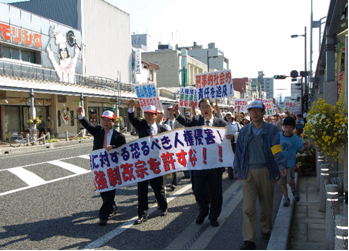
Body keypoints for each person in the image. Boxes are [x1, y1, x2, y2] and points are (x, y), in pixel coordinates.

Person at [233, 100, 287, 250]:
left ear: (263, 112)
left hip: (266, 170)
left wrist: (281, 165)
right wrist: (238, 169)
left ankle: (266, 228)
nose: (255, 113)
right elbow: (239, 152)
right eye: (252, 110)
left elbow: (276, 148)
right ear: (249, 113)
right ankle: (249, 239)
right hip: (248, 172)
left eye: (258, 110)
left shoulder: (271, 130)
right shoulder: (244, 131)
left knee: (266, 205)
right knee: (248, 207)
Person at [172, 98, 228, 228]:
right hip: (199, 164)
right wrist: (176, 113)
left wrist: (230, 138)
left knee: (216, 193)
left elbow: (228, 141)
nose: (205, 109)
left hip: (215, 164)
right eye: (202, 107)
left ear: (212, 107)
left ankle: (214, 217)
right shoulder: (197, 121)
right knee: (197, 190)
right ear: (200, 109)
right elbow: (185, 122)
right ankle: (203, 211)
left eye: (207, 106)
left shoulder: (221, 123)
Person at [76, 106, 126, 226]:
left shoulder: (119, 136)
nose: (105, 122)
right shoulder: (98, 130)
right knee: (102, 189)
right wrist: (81, 115)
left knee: (110, 191)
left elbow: (124, 150)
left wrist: (113, 147)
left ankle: (103, 216)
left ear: (113, 122)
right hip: (99, 166)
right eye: (104, 120)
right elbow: (88, 126)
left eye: (108, 120)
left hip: (113, 167)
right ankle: (112, 207)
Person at [128, 99, 168, 224]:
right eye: (146, 114)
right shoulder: (142, 126)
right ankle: (142, 214)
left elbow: (168, 144)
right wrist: (131, 108)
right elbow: (132, 119)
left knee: (158, 188)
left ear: (156, 115)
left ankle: (163, 207)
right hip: (143, 163)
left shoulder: (162, 129)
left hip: (156, 163)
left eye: (151, 114)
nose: (148, 116)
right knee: (142, 190)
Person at [279, 116, 307, 206]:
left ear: (293, 128)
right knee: (282, 182)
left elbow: (301, 150)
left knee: (290, 180)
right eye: (286, 127)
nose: (287, 129)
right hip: (280, 163)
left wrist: (304, 146)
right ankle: (286, 197)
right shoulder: (279, 136)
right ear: (283, 126)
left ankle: (294, 190)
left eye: (290, 127)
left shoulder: (295, 139)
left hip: (290, 163)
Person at [224, 111, 241, 179]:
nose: (228, 117)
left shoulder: (236, 124)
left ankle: (237, 171)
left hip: (236, 142)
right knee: (229, 157)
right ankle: (230, 173)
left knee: (236, 157)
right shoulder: (225, 124)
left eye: (229, 115)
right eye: (227, 115)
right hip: (228, 142)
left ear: (232, 116)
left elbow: (240, 131)